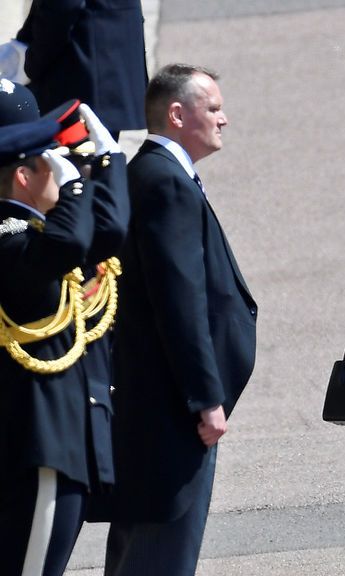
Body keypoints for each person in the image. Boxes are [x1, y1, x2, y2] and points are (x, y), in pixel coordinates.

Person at [104, 63, 258, 575]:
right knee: (160, 555)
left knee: (143, 550)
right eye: (212, 108)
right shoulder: (165, 183)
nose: (224, 119)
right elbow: (180, 301)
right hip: (173, 413)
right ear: (176, 114)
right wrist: (205, 398)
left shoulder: (155, 175)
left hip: (159, 408)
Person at [0, 103, 128, 575]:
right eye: (49, 160)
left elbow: (108, 231)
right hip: (38, 450)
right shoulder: (13, 243)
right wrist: (78, 183)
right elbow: (70, 244)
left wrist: (107, 164)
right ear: (24, 177)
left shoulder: (34, 238)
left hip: (57, 444)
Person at [13, 0, 148, 138]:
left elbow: (62, 9)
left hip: (82, 82)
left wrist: (31, 62)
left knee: (76, 154)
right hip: (105, 70)